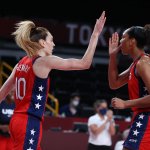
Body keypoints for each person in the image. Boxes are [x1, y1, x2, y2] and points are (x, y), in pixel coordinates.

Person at [0, 11, 106, 150]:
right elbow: (84, 64)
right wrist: (95, 35)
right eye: (51, 40)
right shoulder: (43, 61)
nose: (54, 44)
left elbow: (2, 93)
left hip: (16, 121)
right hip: (29, 121)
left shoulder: (21, 63)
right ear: (43, 43)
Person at [108, 25, 150, 150]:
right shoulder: (136, 64)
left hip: (146, 117)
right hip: (142, 116)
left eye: (123, 38)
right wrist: (112, 56)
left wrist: (126, 104)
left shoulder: (144, 63)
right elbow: (114, 83)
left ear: (132, 41)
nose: (120, 42)